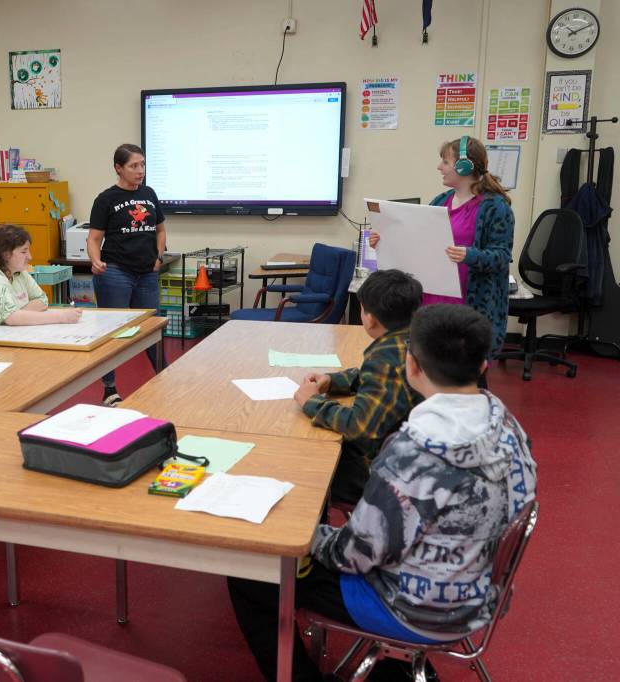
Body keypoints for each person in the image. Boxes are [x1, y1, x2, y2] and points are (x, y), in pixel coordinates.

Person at [228, 304, 537, 681]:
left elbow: (353, 555)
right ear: (484, 367)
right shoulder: (509, 426)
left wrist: (302, 535)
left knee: (251, 573)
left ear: (412, 366)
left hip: (411, 609)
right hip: (478, 594)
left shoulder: (413, 452)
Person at [369, 136, 514, 355]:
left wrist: (469, 255)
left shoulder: (496, 207)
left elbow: (502, 256)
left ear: (464, 166)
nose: (439, 167)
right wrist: (384, 240)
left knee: (464, 372)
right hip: (433, 300)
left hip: (470, 304)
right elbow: (418, 241)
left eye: (445, 162)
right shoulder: (440, 201)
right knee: (427, 366)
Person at [293, 269, 423, 506]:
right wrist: (332, 381)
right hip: (409, 458)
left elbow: (359, 426)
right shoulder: (413, 339)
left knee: (305, 458)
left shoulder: (385, 360)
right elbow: (371, 377)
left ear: (370, 317)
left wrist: (312, 403)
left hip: (379, 473)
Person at [87, 143, 168, 406]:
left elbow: (160, 230)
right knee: (114, 332)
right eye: (134, 165)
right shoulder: (106, 199)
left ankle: (164, 377)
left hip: (147, 273)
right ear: (118, 168)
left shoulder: (149, 193)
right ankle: (109, 388)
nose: (140, 170)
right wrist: (96, 260)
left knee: (152, 329)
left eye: (142, 164)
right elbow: (94, 238)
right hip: (116, 272)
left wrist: (158, 257)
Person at [0, 225, 82, 329]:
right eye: (24, 251)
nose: (30, 257)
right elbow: (12, 318)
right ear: (6, 254)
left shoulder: (17, 271)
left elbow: (42, 299)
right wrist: (61, 316)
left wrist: (19, 315)